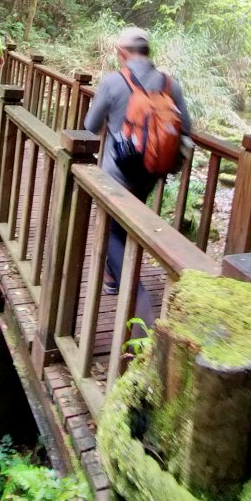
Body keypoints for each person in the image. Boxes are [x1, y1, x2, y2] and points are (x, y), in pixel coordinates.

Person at [83, 26, 191, 328]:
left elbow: (89, 125)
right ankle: (114, 278)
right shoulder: (171, 84)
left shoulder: (114, 82)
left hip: (116, 176)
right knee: (129, 226)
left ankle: (140, 308)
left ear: (122, 53)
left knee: (113, 232)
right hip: (151, 173)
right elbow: (187, 128)